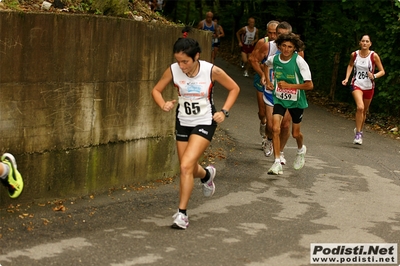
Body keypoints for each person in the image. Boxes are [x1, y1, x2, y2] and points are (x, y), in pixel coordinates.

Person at [151, 29, 240, 229]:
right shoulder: (173, 70)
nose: (181, 66)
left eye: (186, 62)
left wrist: (224, 112)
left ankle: (182, 214)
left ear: (196, 56)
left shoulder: (211, 71)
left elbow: (235, 88)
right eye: (178, 61)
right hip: (183, 121)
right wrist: (163, 104)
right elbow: (156, 90)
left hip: (205, 121)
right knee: (187, 167)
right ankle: (207, 175)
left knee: (185, 167)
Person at [264, 33, 313, 175]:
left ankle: (300, 150)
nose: (286, 49)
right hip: (279, 99)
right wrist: (267, 81)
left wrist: (289, 86)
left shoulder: (299, 62)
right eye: (284, 46)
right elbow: (265, 65)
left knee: (295, 133)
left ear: (294, 49)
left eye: (290, 47)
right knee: (275, 128)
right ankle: (277, 162)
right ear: (279, 46)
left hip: (297, 101)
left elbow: (309, 85)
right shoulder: (274, 59)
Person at [341, 35, 385, 145]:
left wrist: (374, 76)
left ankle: (359, 128)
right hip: (357, 84)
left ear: (370, 44)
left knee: (364, 111)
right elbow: (350, 65)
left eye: (367, 41)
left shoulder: (374, 56)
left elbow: (382, 71)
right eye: (363, 41)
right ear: (360, 43)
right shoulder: (354, 55)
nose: (365, 43)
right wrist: (347, 78)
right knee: (360, 107)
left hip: (369, 86)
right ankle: (359, 134)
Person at [248, 20, 279, 156]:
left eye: (275, 33)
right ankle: (263, 124)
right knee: (262, 113)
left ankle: (268, 138)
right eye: (270, 33)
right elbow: (252, 59)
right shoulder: (263, 43)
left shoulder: (285, 44)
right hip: (262, 78)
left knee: (272, 116)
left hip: (277, 82)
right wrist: (262, 74)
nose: (272, 36)